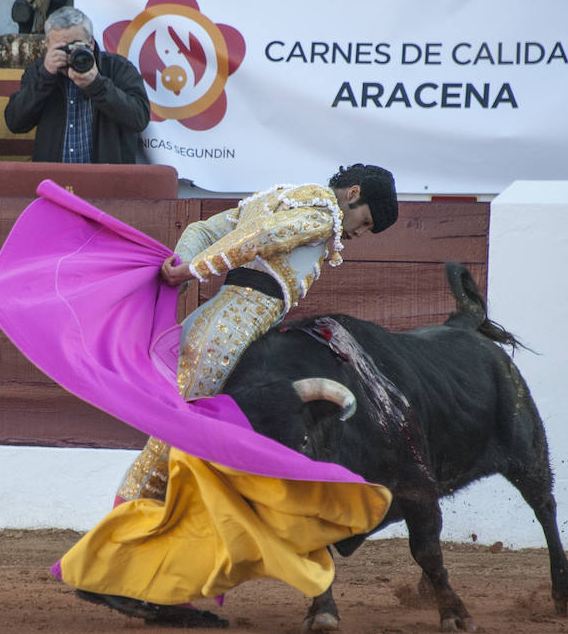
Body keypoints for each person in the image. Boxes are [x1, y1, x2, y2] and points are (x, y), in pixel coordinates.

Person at [112, 164, 398, 505]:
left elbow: (202, 230)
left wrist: (186, 261)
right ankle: (117, 531)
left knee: (191, 438)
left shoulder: (281, 198)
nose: (360, 232)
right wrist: (191, 269)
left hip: (216, 328)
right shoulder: (323, 216)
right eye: (365, 221)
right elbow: (261, 237)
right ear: (353, 194)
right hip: (227, 338)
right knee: (174, 436)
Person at [3, 6, 150, 164]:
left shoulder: (117, 68)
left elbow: (139, 118)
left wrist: (97, 85)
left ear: (91, 42)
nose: (70, 54)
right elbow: (15, 122)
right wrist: (45, 78)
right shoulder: (39, 71)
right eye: (61, 48)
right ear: (47, 46)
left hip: (105, 180)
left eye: (76, 46)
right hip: (54, 182)